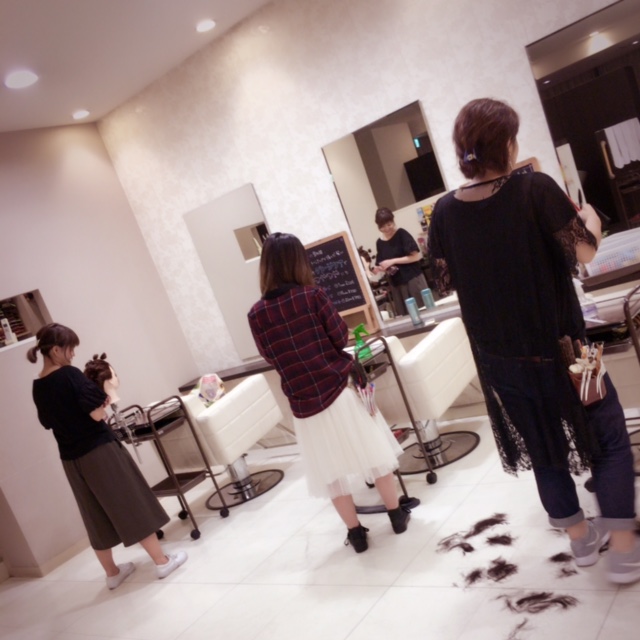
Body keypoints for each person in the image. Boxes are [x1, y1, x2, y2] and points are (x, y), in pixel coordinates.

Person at [427, 97, 639, 585]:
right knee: (609, 439)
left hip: (502, 362)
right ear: (505, 143)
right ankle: (625, 553)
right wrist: (591, 219)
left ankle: (582, 542)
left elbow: (443, 281)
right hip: (569, 354)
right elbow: (584, 252)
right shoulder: (534, 188)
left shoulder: (444, 212)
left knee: (545, 452)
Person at [247, 232, 411, 553]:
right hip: (339, 389)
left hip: (303, 403)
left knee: (331, 473)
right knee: (375, 455)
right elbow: (339, 336)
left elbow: (269, 356)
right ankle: (396, 516)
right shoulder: (313, 296)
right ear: (298, 261)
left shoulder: (256, 314)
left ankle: (356, 535)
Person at [28, 323, 188, 589]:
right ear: (55, 350)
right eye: (70, 349)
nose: (73, 354)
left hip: (71, 460)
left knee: (94, 514)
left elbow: (47, 422)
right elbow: (96, 414)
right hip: (99, 452)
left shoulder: (38, 385)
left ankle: (112, 573)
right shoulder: (70, 375)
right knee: (130, 501)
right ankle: (162, 562)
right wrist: (101, 403)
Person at [371, 208, 428, 316]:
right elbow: (383, 263)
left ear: (393, 221)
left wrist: (392, 261)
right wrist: (379, 269)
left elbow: (415, 257)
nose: (387, 228)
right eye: (383, 226)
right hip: (396, 284)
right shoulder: (379, 243)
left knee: (422, 311)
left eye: (389, 224)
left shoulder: (402, 234)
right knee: (405, 315)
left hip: (412, 279)